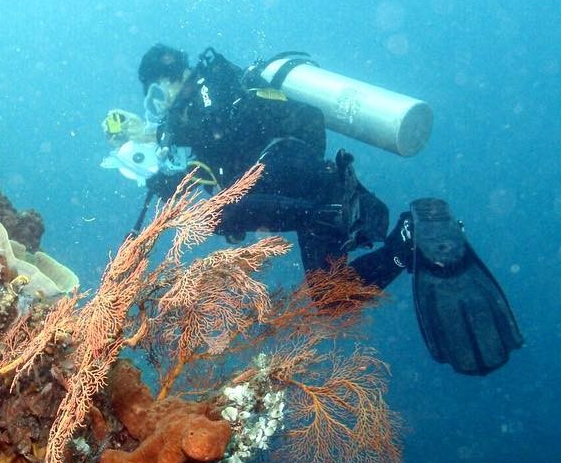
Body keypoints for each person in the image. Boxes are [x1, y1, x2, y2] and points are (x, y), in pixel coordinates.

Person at [103, 43, 522, 376]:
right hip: (313, 184)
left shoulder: (210, 89)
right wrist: (158, 144)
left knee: (221, 213)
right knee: (331, 299)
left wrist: (163, 162)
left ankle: (334, 213)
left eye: (160, 93)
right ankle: (406, 243)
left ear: (174, 77)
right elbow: (213, 158)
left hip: (296, 180)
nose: (163, 103)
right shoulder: (211, 99)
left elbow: (214, 153)